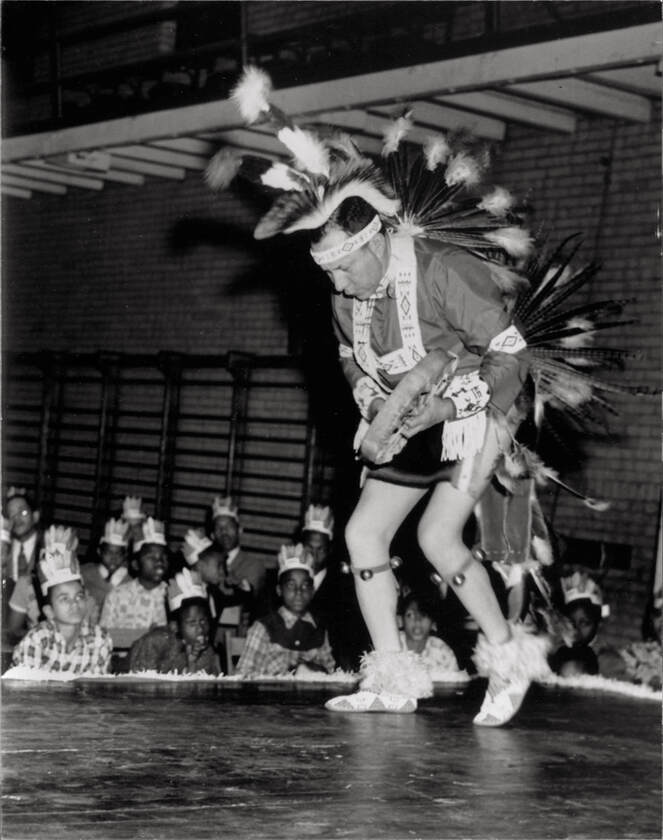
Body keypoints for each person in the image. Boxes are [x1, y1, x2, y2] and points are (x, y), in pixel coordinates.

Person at [12, 526, 112, 675]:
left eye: (79, 596)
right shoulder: (38, 640)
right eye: (64, 599)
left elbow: (95, 691)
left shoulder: (99, 639)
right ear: (49, 611)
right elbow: (27, 694)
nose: (74, 603)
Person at [236, 544, 336, 677]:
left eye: (305, 586)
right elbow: (243, 675)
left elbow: (331, 674)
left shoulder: (319, 630)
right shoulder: (263, 628)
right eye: (291, 585)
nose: (298, 592)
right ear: (279, 590)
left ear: (312, 591)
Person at [301, 503, 370, 671]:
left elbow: (348, 639)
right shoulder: (284, 581)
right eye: (309, 548)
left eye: (321, 549)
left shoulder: (343, 588)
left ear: (329, 550)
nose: (314, 555)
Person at [128, 568, 220, 675]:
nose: (200, 629)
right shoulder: (155, 642)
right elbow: (142, 680)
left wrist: (192, 664)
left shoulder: (206, 651)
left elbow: (197, 687)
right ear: (175, 626)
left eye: (203, 621)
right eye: (192, 623)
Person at [99, 516, 168, 633]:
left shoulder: (171, 595)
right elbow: (105, 636)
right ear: (136, 564)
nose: (159, 562)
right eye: (151, 557)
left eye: (163, 557)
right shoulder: (117, 596)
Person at [209, 495, 266, 619]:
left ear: (240, 530)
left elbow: (245, 601)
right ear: (212, 535)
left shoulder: (254, 565)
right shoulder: (206, 562)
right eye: (219, 528)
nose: (224, 532)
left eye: (229, 526)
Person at [549, 571, 607, 677]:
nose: (576, 630)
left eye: (584, 623)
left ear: (599, 623)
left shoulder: (608, 661)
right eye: (570, 622)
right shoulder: (557, 655)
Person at [399, 591, 461, 676]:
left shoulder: (441, 650)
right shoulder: (391, 644)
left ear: (432, 623)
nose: (417, 621)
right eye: (410, 615)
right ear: (401, 620)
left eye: (424, 615)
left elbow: (454, 683)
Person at [80, 517, 130, 619]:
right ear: (99, 552)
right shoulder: (84, 572)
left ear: (125, 556)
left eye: (118, 554)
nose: (113, 558)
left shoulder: (130, 583)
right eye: (109, 552)